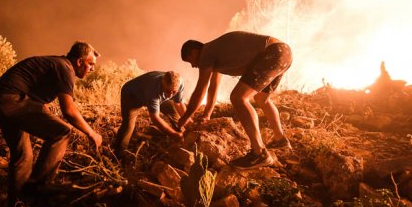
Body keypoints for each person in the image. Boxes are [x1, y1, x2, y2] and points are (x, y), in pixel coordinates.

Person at [0, 41, 103, 207]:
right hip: (11, 100)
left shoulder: (57, 63)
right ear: (79, 61)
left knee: (23, 155)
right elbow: (69, 111)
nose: (92, 69)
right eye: (90, 64)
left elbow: (38, 101)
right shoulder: (66, 68)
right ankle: (37, 189)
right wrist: (92, 133)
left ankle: (17, 206)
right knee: (62, 132)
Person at [178, 31, 292, 169]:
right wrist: (207, 114)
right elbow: (213, 87)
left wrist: (185, 117)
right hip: (284, 52)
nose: (193, 66)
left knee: (238, 98)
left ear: (194, 52)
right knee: (262, 98)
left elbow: (201, 89)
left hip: (272, 53)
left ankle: (259, 153)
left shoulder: (206, 54)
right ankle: (280, 140)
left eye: (190, 61)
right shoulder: (216, 53)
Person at [114, 71, 186, 158]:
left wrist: (188, 121)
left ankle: (182, 133)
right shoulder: (153, 88)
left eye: (174, 92)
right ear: (163, 83)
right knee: (128, 125)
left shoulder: (180, 83)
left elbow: (178, 104)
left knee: (171, 108)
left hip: (158, 95)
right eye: (168, 91)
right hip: (132, 95)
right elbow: (155, 118)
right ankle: (119, 156)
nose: (170, 95)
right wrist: (173, 134)